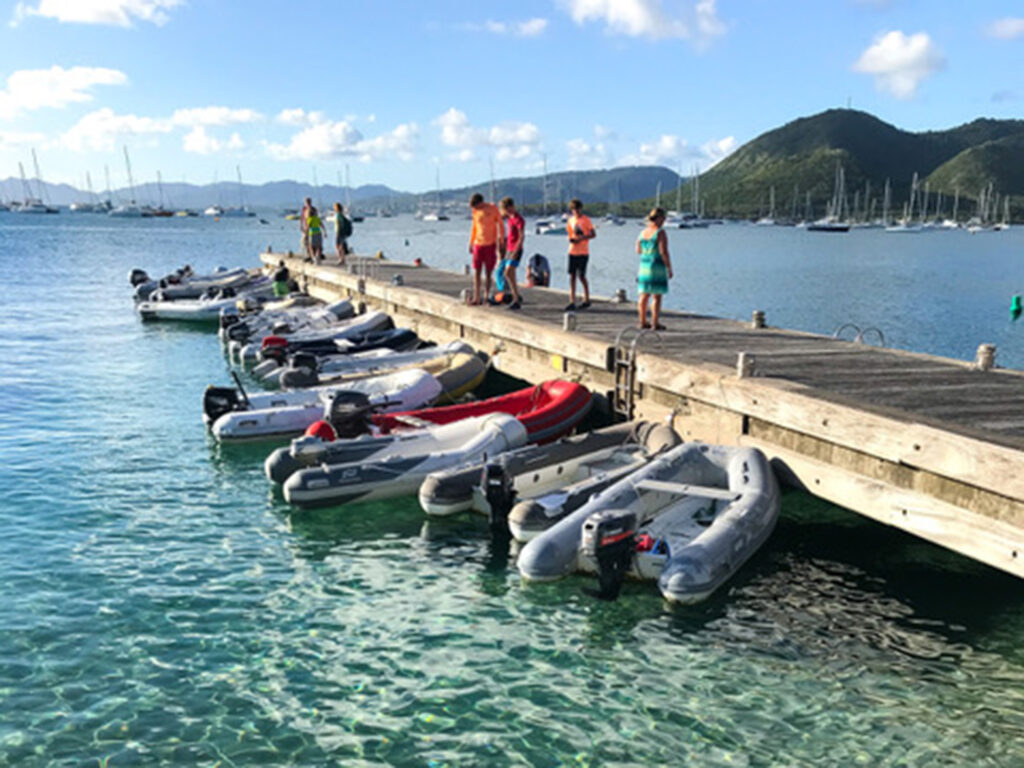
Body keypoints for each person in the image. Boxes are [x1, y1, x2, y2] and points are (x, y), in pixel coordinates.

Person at [636, 207, 673, 330]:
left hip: (644, 266)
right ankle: (655, 322)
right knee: (656, 296)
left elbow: (638, 250)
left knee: (644, 295)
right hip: (656, 265)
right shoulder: (660, 232)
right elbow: (663, 251)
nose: (664, 221)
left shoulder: (642, 233)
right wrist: (669, 267)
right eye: (663, 218)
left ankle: (642, 321)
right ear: (658, 218)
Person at [467, 192, 503, 306]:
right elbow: (474, 227)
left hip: (490, 244)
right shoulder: (475, 212)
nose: (475, 209)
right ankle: (477, 297)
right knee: (476, 271)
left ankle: (486, 296)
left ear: (481, 203)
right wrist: (471, 242)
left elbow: (500, 224)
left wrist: (501, 240)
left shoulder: (493, 208)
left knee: (488, 271)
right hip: (478, 243)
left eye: (476, 206)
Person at [565, 198, 595, 311]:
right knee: (572, 276)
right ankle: (572, 300)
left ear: (580, 209)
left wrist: (583, 237)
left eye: (577, 209)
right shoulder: (570, 221)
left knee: (581, 275)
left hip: (583, 251)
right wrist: (572, 239)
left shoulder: (586, 220)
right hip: (573, 250)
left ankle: (586, 298)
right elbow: (570, 234)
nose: (576, 211)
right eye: (573, 210)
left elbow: (593, 234)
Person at [499, 197, 524, 310]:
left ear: (511, 207)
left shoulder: (519, 219)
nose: (506, 212)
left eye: (507, 209)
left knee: (508, 272)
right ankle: (516, 297)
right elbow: (499, 217)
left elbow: (521, 236)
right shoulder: (510, 218)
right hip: (509, 248)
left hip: (516, 249)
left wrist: (516, 251)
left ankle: (516, 297)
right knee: (509, 273)